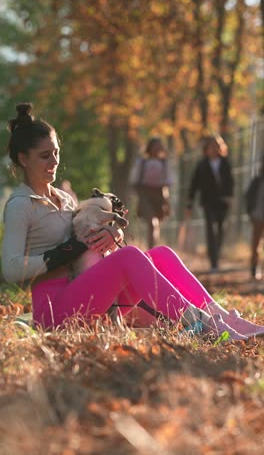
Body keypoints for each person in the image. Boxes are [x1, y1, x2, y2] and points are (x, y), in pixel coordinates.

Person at [1, 103, 264, 341]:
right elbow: (11, 270)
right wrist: (66, 250)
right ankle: (203, 325)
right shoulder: (21, 205)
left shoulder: (65, 200)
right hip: (55, 312)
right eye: (45, 156)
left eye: (56, 153)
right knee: (129, 257)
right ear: (24, 159)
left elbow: (84, 244)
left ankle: (223, 318)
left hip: (88, 296)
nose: (55, 162)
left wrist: (110, 233)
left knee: (161, 254)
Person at [186, 135, 234, 271]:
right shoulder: (201, 165)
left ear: (220, 148)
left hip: (222, 201)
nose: (213, 149)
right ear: (206, 149)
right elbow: (193, 185)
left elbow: (230, 181)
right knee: (210, 230)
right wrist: (189, 203)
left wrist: (230, 197)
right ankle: (214, 261)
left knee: (220, 229)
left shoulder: (225, 163)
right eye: (211, 146)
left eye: (216, 146)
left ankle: (216, 253)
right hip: (208, 202)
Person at [129, 136, 172, 248]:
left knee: (156, 223)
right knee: (151, 222)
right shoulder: (142, 162)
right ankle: (151, 248)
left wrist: (167, 201)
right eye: (155, 146)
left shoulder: (164, 163)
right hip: (145, 194)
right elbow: (134, 180)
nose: (157, 148)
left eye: (159, 146)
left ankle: (152, 246)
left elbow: (168, 181)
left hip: (159, 194)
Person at [246, 155, 264, 279]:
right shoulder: (257, 180)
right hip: (258, 215)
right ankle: (254, 268)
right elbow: (248, 197)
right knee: (255, 244)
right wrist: (250, 212)